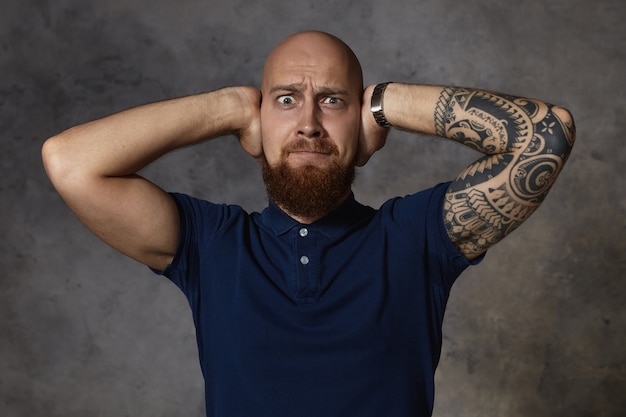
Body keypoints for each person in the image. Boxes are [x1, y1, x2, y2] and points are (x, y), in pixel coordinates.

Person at [42, 30, 576, 417]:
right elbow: (70, 162)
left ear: (363, 126)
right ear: (259, 120)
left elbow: (546, 138)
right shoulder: (212, 244)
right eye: (285, 100)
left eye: (332, 101)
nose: (308, 124)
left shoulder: (417, 238)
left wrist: (387, 103)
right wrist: (228, 107)